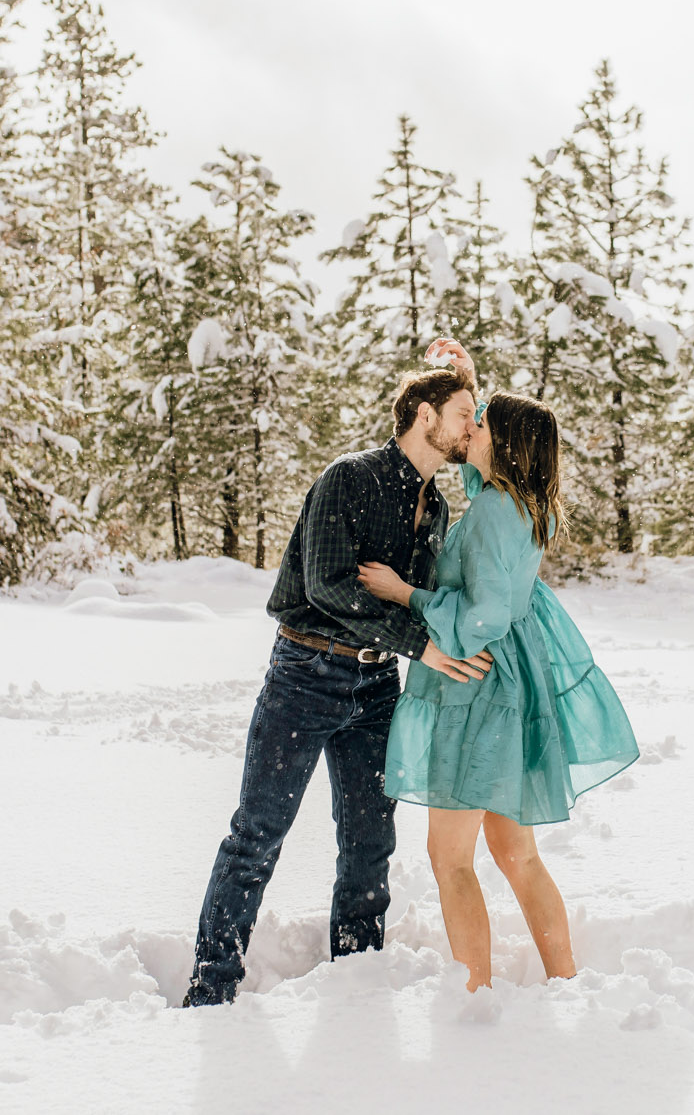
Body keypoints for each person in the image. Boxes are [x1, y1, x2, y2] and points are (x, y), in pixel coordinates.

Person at [181, 362, 496, 1008]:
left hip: (377, 685)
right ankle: (211, 987)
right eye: (466, 411)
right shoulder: (347, 479)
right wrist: (422, 646)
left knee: (370, 841)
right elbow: (327, 582)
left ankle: (357, 979)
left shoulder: (436, 506)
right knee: (258, 833)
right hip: (306, 673)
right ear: (425, 416)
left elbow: (421, 595)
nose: (474, 424)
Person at [359, 364, 639, 992]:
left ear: (501, 443)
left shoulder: (488, 514)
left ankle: (473, 995)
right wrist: (466, 376)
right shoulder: (520, 504)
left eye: (478, 421)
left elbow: (481, 615)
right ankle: (565, 981)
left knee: (449, 857)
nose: (469, 427)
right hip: (510, 686)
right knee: (516, 853)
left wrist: (406, 594)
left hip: (475, 685)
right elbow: (471, 469)